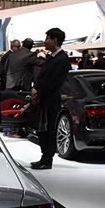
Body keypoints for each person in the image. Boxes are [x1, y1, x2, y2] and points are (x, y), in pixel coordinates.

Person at [30, 28, 70, 170]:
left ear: (55, 40)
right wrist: (35, 89)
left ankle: (47, 160)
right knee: (42, 130)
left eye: (47, 38)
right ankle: (44, 157)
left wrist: (38, 92)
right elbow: (42, 77)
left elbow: (54, 82)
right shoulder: (51, 57)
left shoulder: (62, 59)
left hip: (50, 100)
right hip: (43, 98)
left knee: (49, 130)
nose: (45, 41)